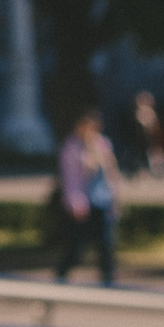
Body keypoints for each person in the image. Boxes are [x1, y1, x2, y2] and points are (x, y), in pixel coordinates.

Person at [55, 108, 120, 286]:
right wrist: (74, 202)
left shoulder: (103, 144)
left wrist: (115, 199)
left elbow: (110, 174)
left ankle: (107, 280)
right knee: (77, 246)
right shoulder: (71, 147)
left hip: (102, 200)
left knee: (106, 244)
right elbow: (70, 178)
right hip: (82, 203)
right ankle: (61, 275)